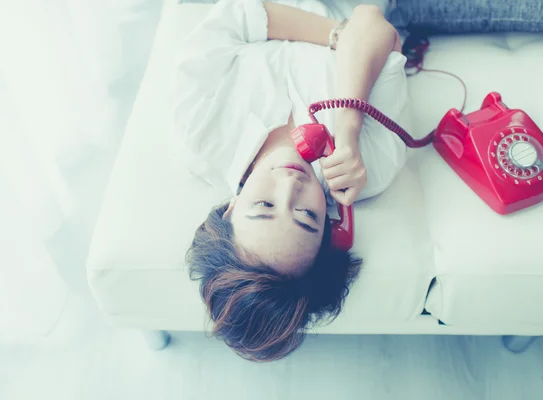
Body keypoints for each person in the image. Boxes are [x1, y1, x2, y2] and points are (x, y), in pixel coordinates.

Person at [174, 0, 408, 362]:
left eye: (264, 206)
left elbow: (238, 15)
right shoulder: (370, 166)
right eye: (306, 215)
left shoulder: (200, 133)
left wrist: (338, 37)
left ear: (230, 209)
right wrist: (348, 126)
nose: (289, 185)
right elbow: (371, 22)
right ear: (331, 227)